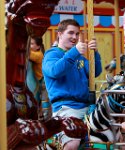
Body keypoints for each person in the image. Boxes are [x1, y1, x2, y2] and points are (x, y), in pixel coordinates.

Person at [42, 19, 102, 150]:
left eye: (77, 34)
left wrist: (95, 53)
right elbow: (54, 71)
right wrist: (74, 52)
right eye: (70, 33)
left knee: (108, 136)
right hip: (67, 108)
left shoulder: (79, 58)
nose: (74, 37)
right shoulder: (52, 54)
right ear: (60, 34)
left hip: (87, 106)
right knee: (72, 144)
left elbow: (95, 72)